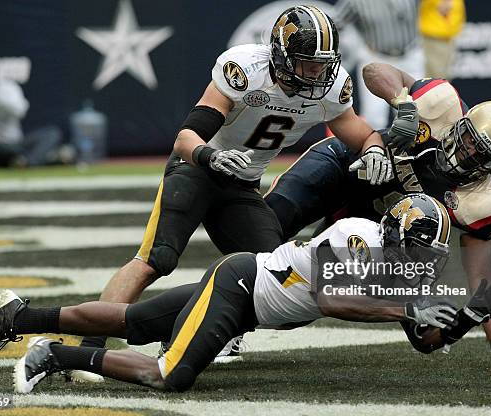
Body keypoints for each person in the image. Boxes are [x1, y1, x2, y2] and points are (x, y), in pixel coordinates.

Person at [76, 5, 398, 370]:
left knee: (277, 279)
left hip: (241, 186)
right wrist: (210, 157)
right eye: (308, 62)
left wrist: (374, 152)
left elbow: (362, 133)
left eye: (323, 63)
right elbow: (186, 137)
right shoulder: (246, 70)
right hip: (196, 169)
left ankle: (186, 326)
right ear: (281, 52)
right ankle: (87, 348)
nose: (317, 71)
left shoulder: (330, 89)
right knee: (155, 261)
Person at [0, 194, 491, 394]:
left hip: (247, 303)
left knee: (135, 322)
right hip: (241, 285)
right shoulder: (354, 234)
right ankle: (52, 354)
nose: (415, 269)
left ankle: (17, 315)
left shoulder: (407, 270)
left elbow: (424, 337)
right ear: (392, 235)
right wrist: (408, 306)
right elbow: (333, 301)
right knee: (169, 374)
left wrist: (464, 316)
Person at [264, 62, 491, 362]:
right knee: (272, 217)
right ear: (461, 122)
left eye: (481, 154)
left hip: (382, 230)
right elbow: (374, 71)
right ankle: (235, 300)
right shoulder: (442, 103)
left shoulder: (481, 202)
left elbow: (481, 277)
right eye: (468, 140)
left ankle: (253, 312)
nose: (466, 153)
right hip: (350, 166)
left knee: (422, 333)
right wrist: (403, 104)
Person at [333, 0, 424, 129]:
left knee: (417, 113)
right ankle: (375, 148)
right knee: (374, 117)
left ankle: (417, 149)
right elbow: (334, 24)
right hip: (376, 57)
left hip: (410, 56)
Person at [419, 0, 465, 79]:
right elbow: (444, 8)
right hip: (434, 38)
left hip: (448, 38)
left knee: (445, 76)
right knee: (436, 77)